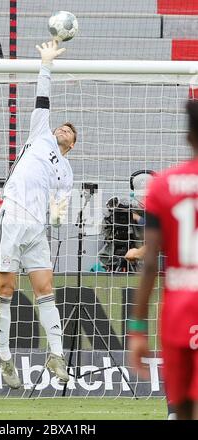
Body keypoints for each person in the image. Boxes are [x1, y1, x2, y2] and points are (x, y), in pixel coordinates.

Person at [0, 40, 76, 389]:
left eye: (70, 131)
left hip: (37, 231)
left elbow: (59, 211)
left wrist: (58, 216)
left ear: (72, 144)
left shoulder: (67, 173)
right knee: (6, 288)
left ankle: (56, 355)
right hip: (11, 217)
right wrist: (45, 64)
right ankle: (5, 359)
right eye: (62, 126)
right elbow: (43, 99)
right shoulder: (40, 133)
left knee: (46, 289)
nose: (63, 129)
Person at [129, 100, 198, 420]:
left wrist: (138, 329)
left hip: (177, 314)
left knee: (181, 409)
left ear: (187, 137)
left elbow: (149, 263)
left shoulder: (162, 185)